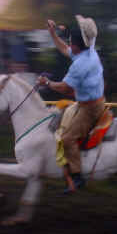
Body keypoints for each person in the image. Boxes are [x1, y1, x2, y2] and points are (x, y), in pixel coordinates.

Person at [37, 15, 105, 194]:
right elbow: (65, 49)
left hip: (89, 108)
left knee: (67, 139)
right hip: (93, 100)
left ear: (76, 45)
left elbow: (66, 88)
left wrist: (47, 83)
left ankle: (77, 177)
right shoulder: (89, 48)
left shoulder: (81, 64)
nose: (68, 44)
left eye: (70, 42)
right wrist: (52, 33)